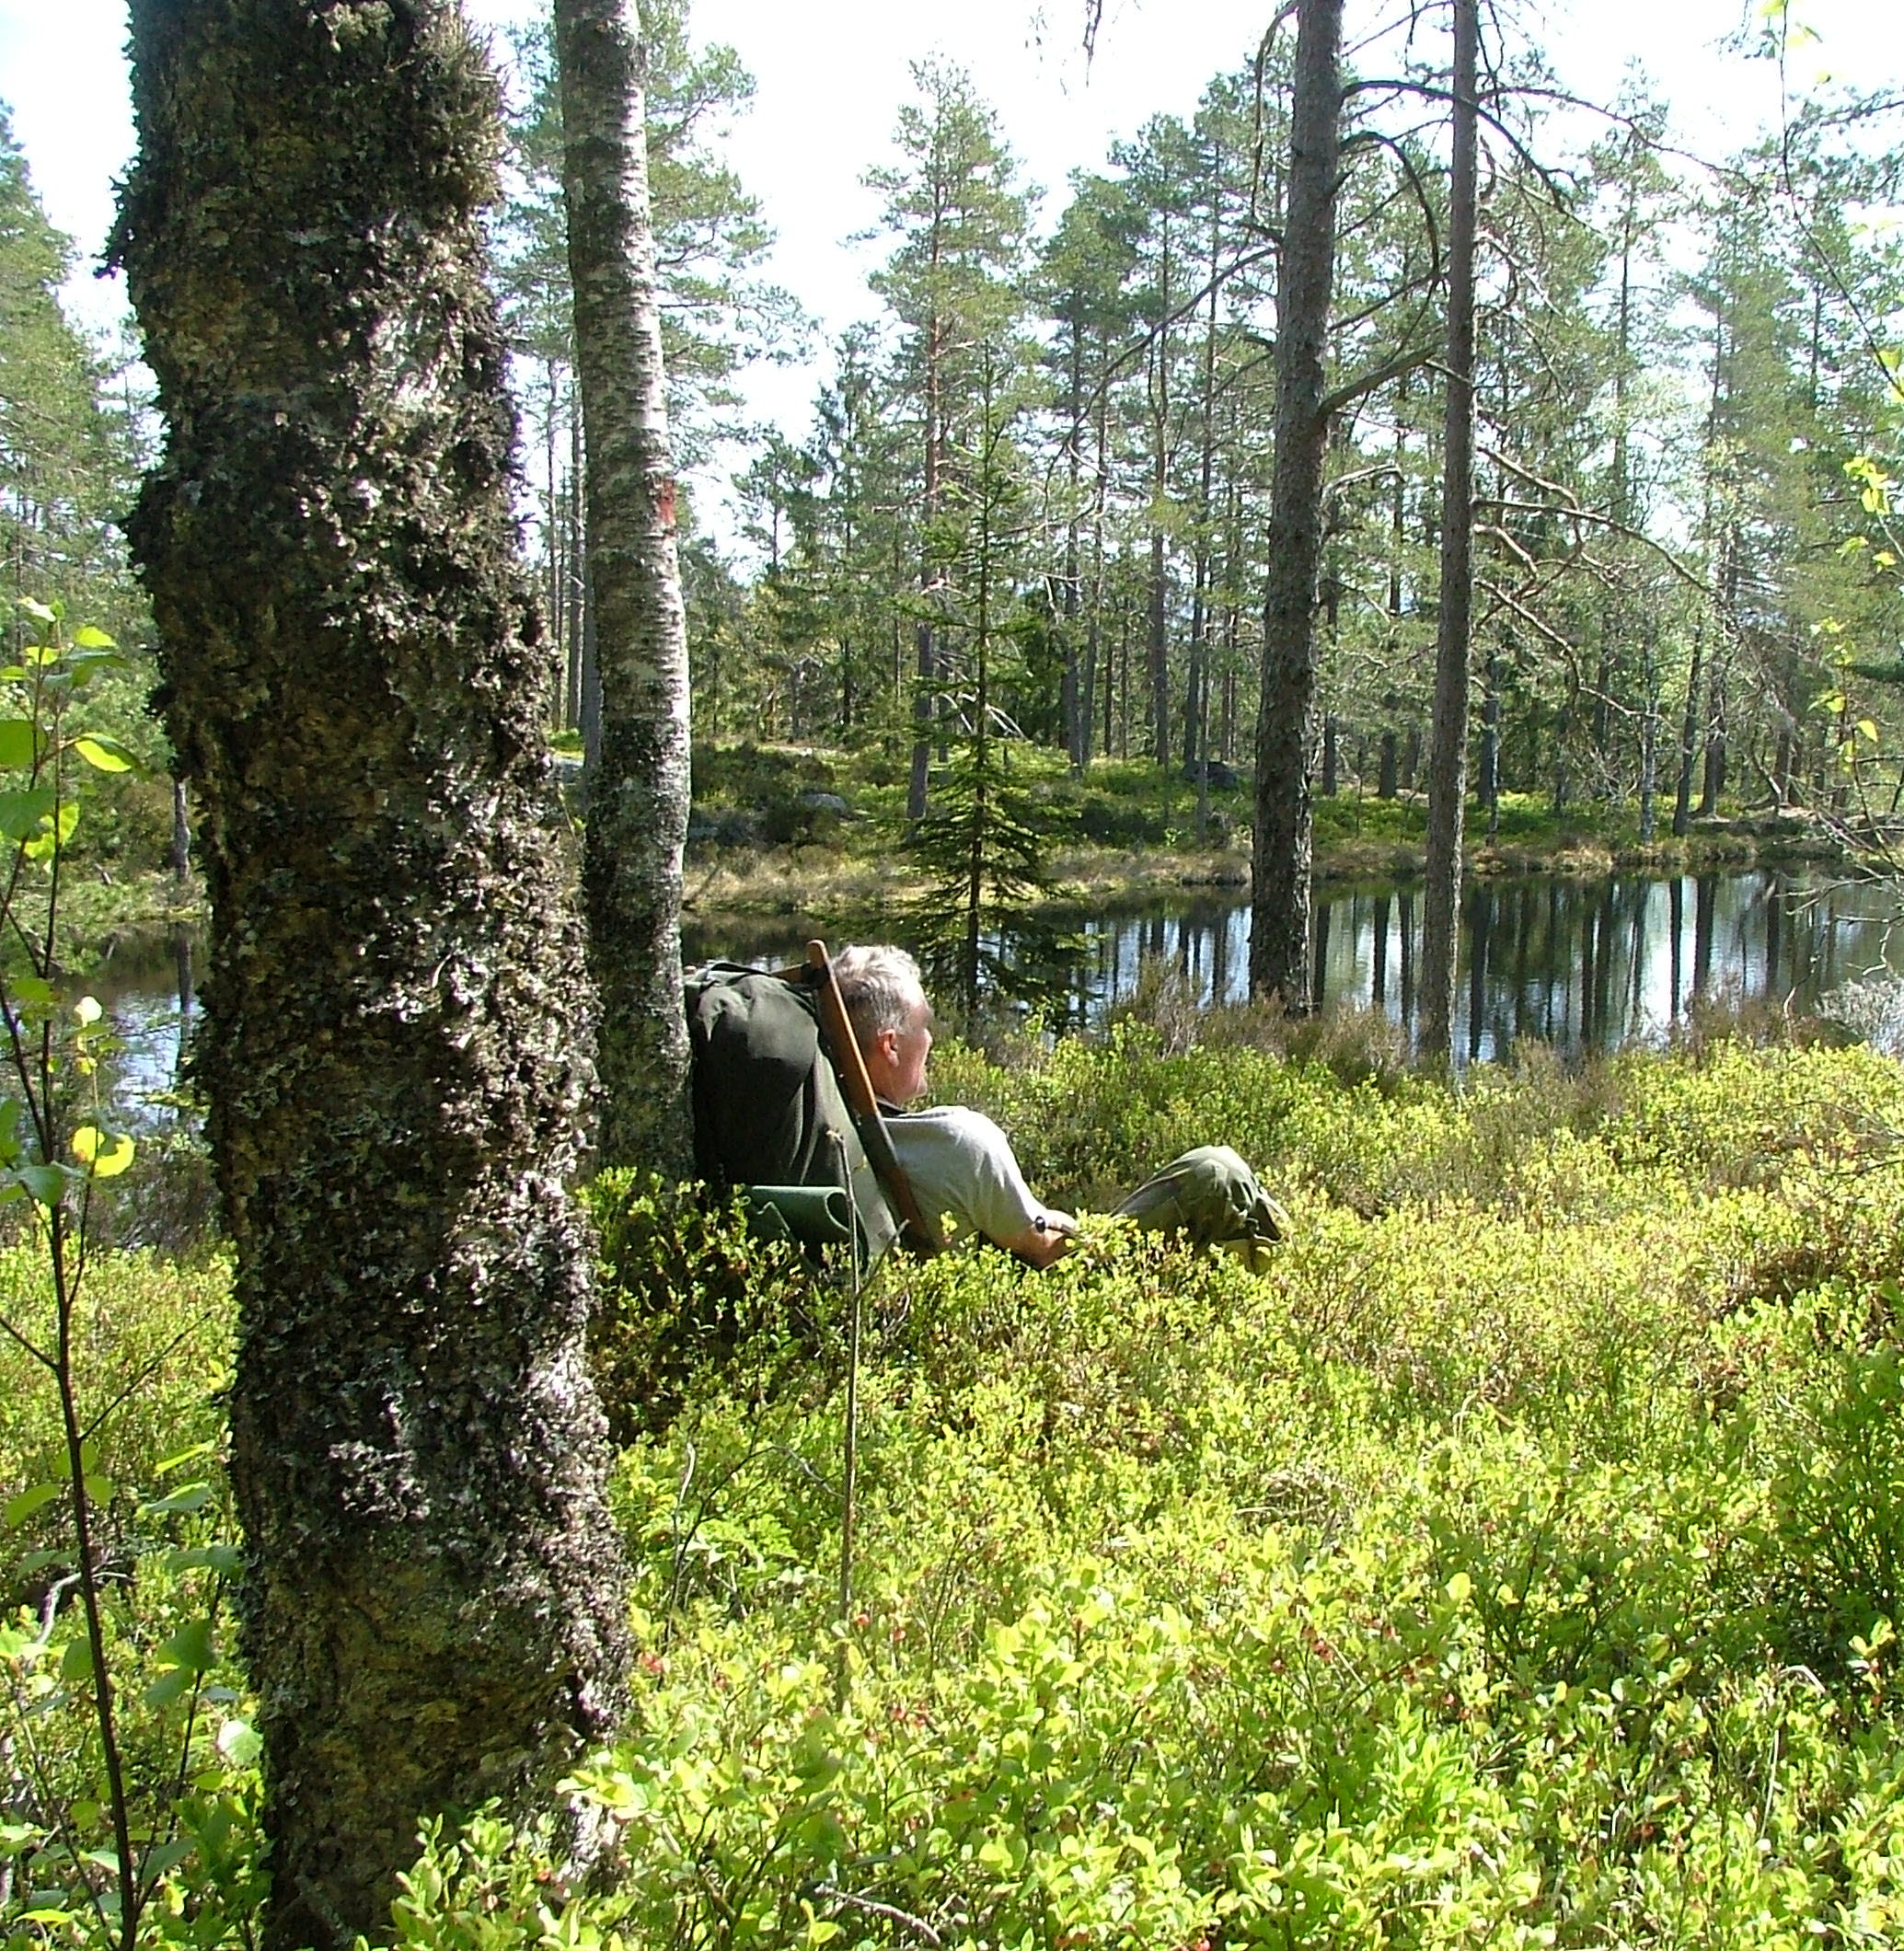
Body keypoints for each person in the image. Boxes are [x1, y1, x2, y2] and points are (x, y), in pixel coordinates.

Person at [832, 943, 1287, 1270]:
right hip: (1040, 1298)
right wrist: (1062, 1222)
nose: (931, 1038)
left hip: (945, 1288)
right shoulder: (957, 1141)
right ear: (891, 1045)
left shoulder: (831, 1138)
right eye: (922, 1026)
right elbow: (1044, 1248)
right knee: (1218, 1173)